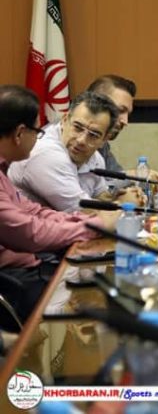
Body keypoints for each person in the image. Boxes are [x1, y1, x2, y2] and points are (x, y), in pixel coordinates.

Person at [0, 86, 119, 325]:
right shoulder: (45, 155)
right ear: (20, 133)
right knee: (92, 306)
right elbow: (30, 232)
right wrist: (97, 224)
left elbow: (33, 211)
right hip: (12, 280)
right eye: (37, 131)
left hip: (29, 267)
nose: (39, 138)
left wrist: (92, 222)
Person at [9, 91, 127, 212]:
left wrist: (119, 198)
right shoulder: (46, 154)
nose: (81, 140)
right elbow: (85, 213)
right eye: (77, 128)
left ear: (104, 140)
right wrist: (124, 206)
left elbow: (100, 196)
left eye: (93, 135)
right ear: (64, 120)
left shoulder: (94, 157)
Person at [85, 74, 158, 186]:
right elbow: (89, 190)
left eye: (128, 114)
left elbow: (112, 179)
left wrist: (136, 179)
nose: (125, 121)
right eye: (120, 110)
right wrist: (132, 177)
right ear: (95, 104)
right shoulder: (70, 141)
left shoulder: (102, 144)